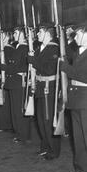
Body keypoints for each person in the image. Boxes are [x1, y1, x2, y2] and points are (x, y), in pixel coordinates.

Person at [28, 24, 61, 160]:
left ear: (48, 34)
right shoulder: (40, 48)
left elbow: (49, 69)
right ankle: (45, 146)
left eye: (40, 32)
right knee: (40, 120)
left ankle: (53, 150)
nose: (37, 35)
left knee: (48, 120)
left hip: (49, 88)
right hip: (40, 87)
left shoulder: (54, 49)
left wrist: (33, 61)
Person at [60, 23, 87, 172]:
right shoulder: (79, 51)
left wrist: (66, 68)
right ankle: (81, 169)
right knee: (78, 138)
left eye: (77, 34)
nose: (74, 38)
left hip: (85, 100)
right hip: (76, 99)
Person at [3, 27, 30, 144]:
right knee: (14, 109)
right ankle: (18, 132)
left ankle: (23, 134)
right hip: (14, 81)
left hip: (19, 82)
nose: (14, 35)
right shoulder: (18, 47)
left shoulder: (25, 47)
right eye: (14, 33)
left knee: (19, 109)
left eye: (16, 33)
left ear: (23, 35)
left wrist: (7, 68)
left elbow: (26, 66)